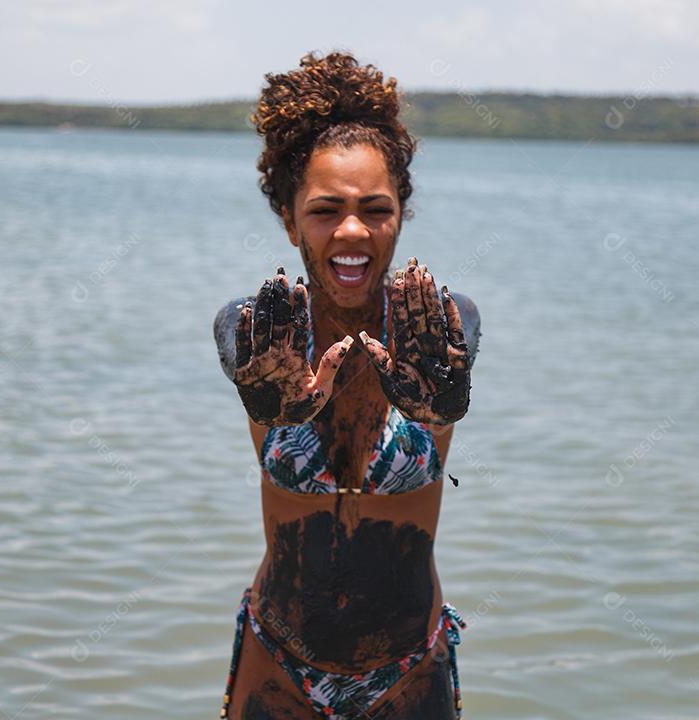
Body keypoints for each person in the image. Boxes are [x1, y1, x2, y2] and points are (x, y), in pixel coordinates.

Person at [212, 49, 481, 719]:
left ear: (401, 212)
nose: (352, 230)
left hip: (408, 670)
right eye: (327, 209)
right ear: (287, 215)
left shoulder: (438, 332)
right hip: (277, 663)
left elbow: (458, 368)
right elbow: (233, 349)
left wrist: (445, 401)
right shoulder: (263, 338)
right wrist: (263, 397)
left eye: (375, 208)